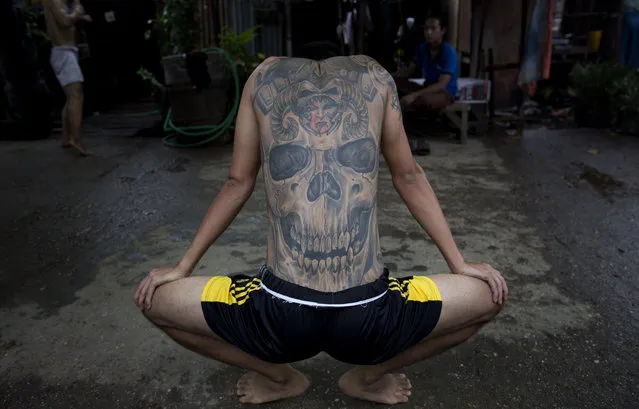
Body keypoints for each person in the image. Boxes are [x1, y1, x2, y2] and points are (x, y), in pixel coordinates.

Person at [134, 55, 508, 405]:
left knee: (153, 301)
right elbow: (408, 176)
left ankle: (278, 377)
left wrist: (182, 268)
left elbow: (237, 182)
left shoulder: (263, 77)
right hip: (369, 313)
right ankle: (369, 378)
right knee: (489, 296)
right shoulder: (374, 76)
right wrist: (459, 264)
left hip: (278, 313)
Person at [43, 0, 92, 156]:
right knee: (76, 96)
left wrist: (78, 15)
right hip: (63, 53)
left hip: (66, 51)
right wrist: (77, 11)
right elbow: (64, 21)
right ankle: (76, 139)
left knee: (71, 97)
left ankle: (66, 137)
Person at [395, 14, 459, 112]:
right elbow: (409, 71)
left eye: (433, 29)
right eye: (426, 29)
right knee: (395, 84)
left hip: (444, 93)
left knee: (422, 99)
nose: (429, 32)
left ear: (443, 31)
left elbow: (441, 85)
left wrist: (414, 95)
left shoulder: (449, 52)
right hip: (427, 87)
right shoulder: (423, 48)